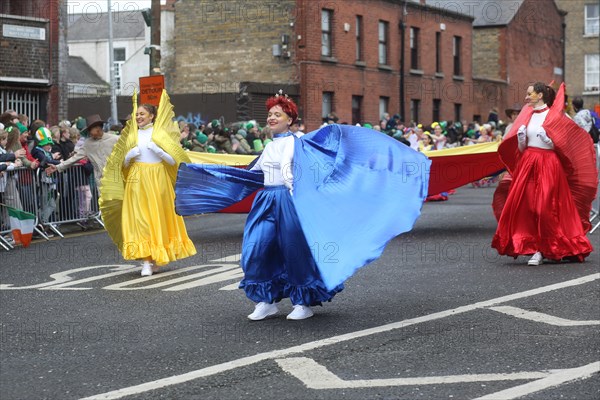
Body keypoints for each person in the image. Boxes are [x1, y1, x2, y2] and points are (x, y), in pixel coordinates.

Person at [175, 90, 431, 321]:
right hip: (266, 201)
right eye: (270, 115)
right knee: (256, 249)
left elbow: (316, 171)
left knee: (295, 251)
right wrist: (208, 176)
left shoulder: (300, 144)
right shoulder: (269, 147)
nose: (271, 118)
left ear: (289, 120)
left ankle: (302, 302)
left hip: (291, 202)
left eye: (277, 114)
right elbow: (252, 174)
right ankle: (266, 301)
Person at [492, 82, 595, 265]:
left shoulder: (555, 116)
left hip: (549, 165)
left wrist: (550, 141)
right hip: (528, 163)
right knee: (528, 206)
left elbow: (567, 146)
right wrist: (522, 140)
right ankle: (534, 246)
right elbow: (523, 149)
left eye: (529, 93)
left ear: (540, 95)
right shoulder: (528, 116)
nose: (526, 97)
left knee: (545, 207)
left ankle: (543, 249)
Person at [100, 90, 196, 276]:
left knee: (157, 219)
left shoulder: (160, 134)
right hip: (137, 180)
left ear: (152, 116)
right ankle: (145, 260)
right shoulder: (130, 135)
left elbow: (174, 161)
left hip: (158, 180)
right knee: (140, 219)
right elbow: (122, 165)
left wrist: (159, 152)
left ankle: (157, 257)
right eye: (136, 114)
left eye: (142, 114)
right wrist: (128, 157)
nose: (138, 117)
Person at [46, 115, 118, 191]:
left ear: (98, 128)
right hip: (101, 184)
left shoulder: (115, 139)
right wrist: (58, 167)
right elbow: (75, 158)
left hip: (117, 180)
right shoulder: (88, 143)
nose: (89, 133)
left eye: (90, 129)